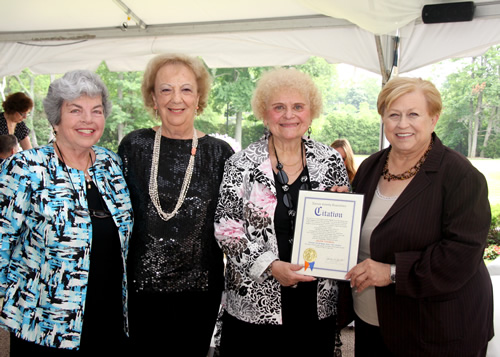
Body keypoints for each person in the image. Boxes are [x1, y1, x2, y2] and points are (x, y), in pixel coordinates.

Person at [345, 77, 493, 356]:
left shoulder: (460, 176)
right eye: (394, 115)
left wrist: (392, 272)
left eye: (413, 114)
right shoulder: (370, 167)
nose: (403, 124)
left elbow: (461, 255)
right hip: (373, 321)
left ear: (434, 119)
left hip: (436, 329)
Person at [214, 67, 350, 357]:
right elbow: (226, 230)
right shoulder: (241, 164)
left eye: (298, 106)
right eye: (279, 107)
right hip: (255, 305)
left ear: (310, 112)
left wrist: (345, 206)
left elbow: (345, 226)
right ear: (265, 113)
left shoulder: (330, 161)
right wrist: (271, 267)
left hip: (316, 302)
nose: (289, 115)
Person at [0, 70, 134, 356]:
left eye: (96, 111)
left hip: (109, 319)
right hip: (45, 327)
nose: (88, 120)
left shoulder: (111, 164)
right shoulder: (26, 168)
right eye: (76, 110)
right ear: (55, 119)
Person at [117, 53, 234, 356]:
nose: (176, 99)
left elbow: (244, 210)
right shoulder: (133, 146)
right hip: (142, 287)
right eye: (165, 89)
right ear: (153, 98)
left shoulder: (219, 153)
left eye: (186, 89)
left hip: (200, 289)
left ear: (199, 98)